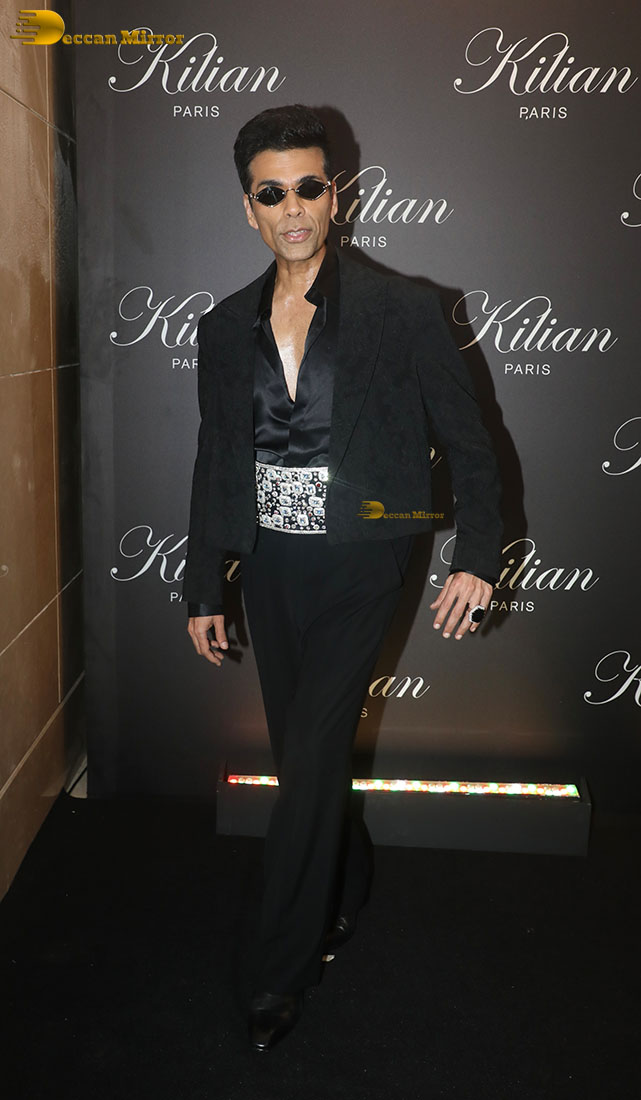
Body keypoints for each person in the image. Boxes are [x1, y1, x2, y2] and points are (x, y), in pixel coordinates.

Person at [183, 104, 503, 1052]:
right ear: (248, 207)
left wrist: (476, 556)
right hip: (269, 564)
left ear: (337, 195)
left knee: (316, 749)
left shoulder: (403, 307)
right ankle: (346, 883)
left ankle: (275, 971)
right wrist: (204, 584)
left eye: (308, 188)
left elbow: (471, 445)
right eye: (270, 192)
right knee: (305, 759)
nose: (291, 208)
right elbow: (214, 460)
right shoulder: (223, 326)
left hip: (366, 559)